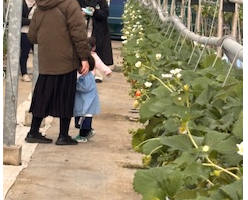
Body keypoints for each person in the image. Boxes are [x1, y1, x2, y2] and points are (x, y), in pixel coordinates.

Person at [25, 0, 91, 145]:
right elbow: (78, 34)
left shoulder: (40, 6)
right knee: (65, 96)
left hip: (46, 59)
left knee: (42, 95)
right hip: (66, 59)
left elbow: (32, 36)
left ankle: (33, 131)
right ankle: (63, 135)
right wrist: (84, 57)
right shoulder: (70, 4)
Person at [74, 36, 112, 142]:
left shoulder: (79, 56)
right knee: (88, 108)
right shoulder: (94, 56)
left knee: (79, 108)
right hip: (90, 84)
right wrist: (107, 71)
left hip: (78, 83)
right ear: (94, 47)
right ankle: (87, 130)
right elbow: (101, 65)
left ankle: (83, 134)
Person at [77, 0, 114, 82]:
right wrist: (81, 13)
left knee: (96, 50)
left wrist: (95, 12)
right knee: (82, 48)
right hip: (82, 28)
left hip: (97, 30)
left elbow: (105, 14)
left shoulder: (101, 1)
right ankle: (80, 71)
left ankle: (97, 73)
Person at [73, 54, 100, 142]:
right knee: (81, 121)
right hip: (85, 103)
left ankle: (83, 136)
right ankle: (88, 132)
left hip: (87, 104)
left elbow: (84, 87)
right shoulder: (88, 75)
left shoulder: (86, 77)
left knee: (83, 121)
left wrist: (75, 84)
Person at [20, 0, 36, 82]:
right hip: (24, 32)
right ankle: (24, 73)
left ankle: (37, 72)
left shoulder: (39, 4)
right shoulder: (22, 4)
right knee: (24, 54)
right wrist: (32, 22)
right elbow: (20, 19)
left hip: (36, 33)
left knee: (37, 54)